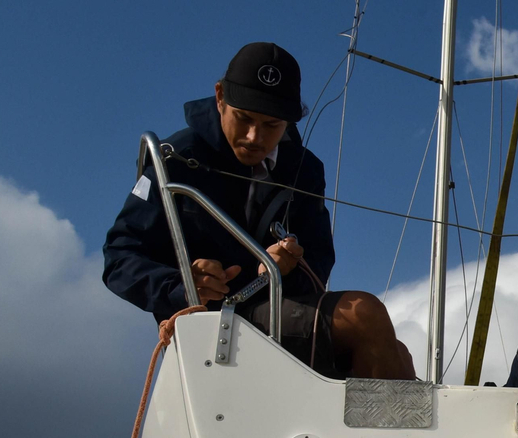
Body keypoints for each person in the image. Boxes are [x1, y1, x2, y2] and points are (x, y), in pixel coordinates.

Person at [103, 42, 416, 380]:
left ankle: (382, 433)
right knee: (364, 316)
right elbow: (120, 256)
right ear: (220, 96)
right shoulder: (175, 158)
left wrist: (288, 265)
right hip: (208, 325)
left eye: (271, 125)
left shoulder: (304, 170)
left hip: (275, 311)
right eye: (244, 118)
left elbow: (319, 259)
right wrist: (180, 284)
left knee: (396, 352)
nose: (255, 136)